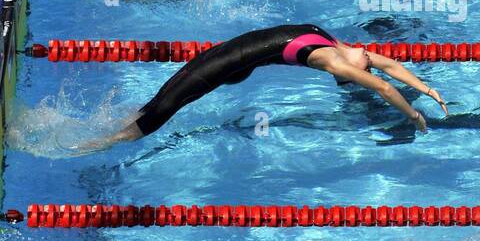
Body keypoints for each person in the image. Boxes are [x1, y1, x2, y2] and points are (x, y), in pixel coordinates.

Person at [81, 25, 448, 147]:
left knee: (162, 103)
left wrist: (427, 88)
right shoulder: (335, 59)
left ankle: (104, 132)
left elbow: (388, 66)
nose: (371, 60)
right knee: (159, 113)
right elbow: (383, 86)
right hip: (223, 63)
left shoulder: (334, 43)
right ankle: (95, 144)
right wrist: (414, 112)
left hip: (227, 57)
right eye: (367, 62)